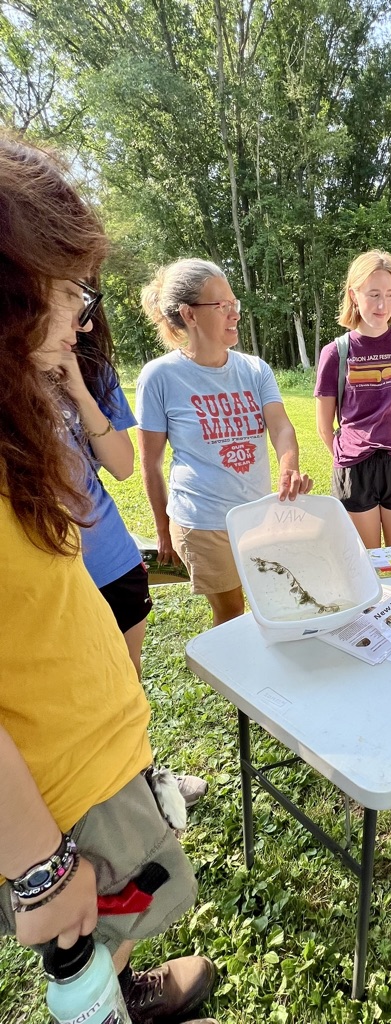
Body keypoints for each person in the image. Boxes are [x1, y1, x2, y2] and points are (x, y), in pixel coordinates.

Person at [0, 136, 217, 1023]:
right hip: (62, 792)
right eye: (65, 288)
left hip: (92, 755)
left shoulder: (25, 406)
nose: (78, 312)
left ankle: (114, 988)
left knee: (119, 913)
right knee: (83, 930)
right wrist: (41, 867)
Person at [47, 300, 208, 807]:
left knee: (126, 689)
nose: (85, 324)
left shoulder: (92, 368)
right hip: (46, 573)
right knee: (65, 700)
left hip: (109, 559)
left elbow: (120, 464)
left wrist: (74, 383)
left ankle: (142, 784)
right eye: (72, 306)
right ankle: (94, 805)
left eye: (88, 307)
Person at [136, 259, 312, 627]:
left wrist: (289, 466)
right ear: (189, 314)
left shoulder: (254, 369)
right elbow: (150, 463)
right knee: (232, 613)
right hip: (203, 521)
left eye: (235, 304)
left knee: (276, 599)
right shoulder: (160, 377)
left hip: (260, 515)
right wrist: (162, 530)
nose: (234, 314)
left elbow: (280, 427)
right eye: (222, 306)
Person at [314, 250, 391, 549]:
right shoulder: (335, 353)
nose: (382, 304)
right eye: (373, 294)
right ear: (354, 295)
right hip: (354, 471)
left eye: (390, 293)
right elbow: (323, 426)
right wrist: (347, 457)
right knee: (367, 565)